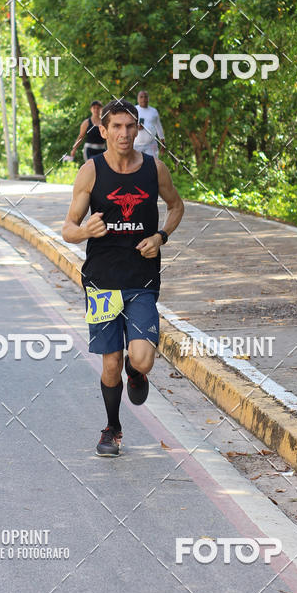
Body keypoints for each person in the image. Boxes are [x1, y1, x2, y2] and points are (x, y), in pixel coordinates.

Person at [62, 97, 184, 457]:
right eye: (116, 126)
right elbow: (68, 228)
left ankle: (137, 371)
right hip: (101, 281)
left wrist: (161, 237)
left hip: (141, 279)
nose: (124, 133)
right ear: (103, 130)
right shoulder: (91, 171)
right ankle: (112, 427)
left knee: (142, 359)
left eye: (131, 126)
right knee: (110, 361)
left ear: (138, 128)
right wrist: (86, 231)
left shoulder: (154, 169)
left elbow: (176, 206)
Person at [134, 90, 165, 159]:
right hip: (135, 145)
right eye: (141, 97)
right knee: (135, 165)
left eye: (145, 97)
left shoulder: (153, 111)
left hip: (150, 145)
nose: (143, 99)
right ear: (137, 99)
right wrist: (136, 127)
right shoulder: (133, 110)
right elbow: (127, 125)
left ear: (148, 98)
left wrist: (163, 143)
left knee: (152, 163)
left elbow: (159, 127)